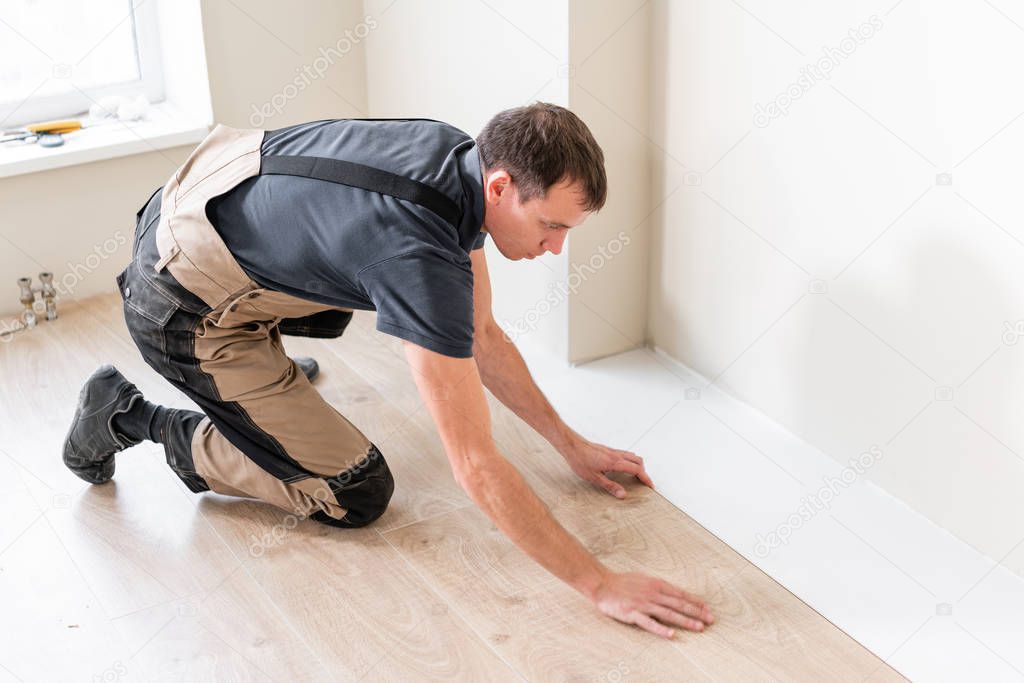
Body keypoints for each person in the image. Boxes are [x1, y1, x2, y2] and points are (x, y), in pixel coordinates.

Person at [62, 102, 715, 638]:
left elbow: (480, 333)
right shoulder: (418, 258)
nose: (555, 248)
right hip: (179, 306)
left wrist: (570, 444)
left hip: (200, 211)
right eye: (550, 226)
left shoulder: (457, 153)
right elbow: (475, 466)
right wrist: (598, 583)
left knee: (373, 279)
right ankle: (130, 415)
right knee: (355, 492)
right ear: (501, 188)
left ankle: (263, 376)